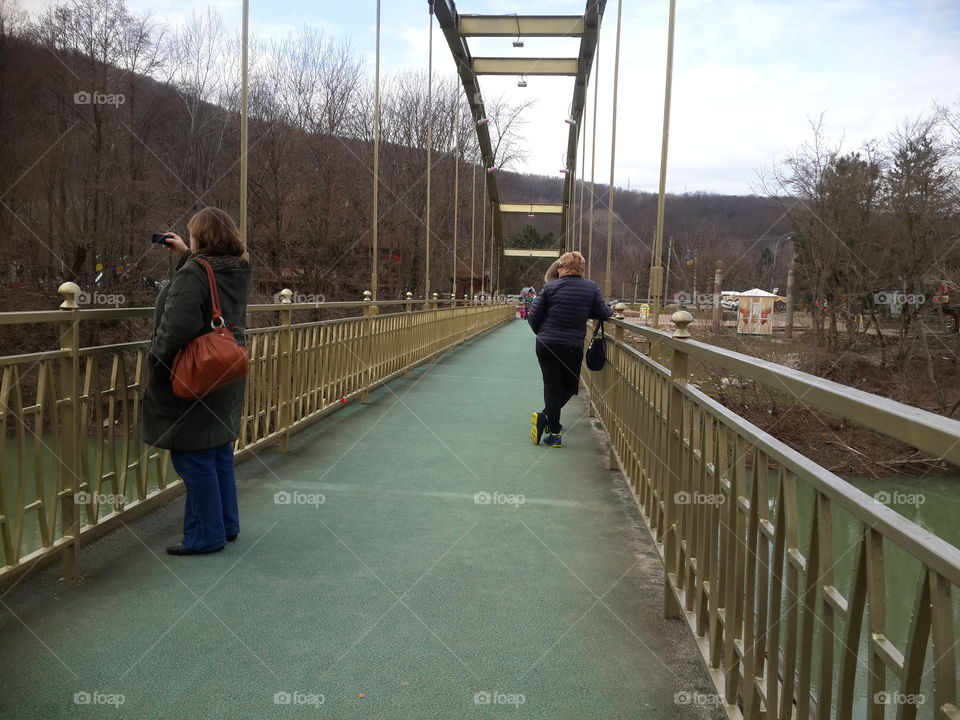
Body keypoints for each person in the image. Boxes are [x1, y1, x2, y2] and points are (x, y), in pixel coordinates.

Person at [142, 208, 252, 556]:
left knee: (192, 457)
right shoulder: (238, 269)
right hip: (226, 369)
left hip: (194, 374)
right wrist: (186, 256)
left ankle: (206, 536)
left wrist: (156, 363)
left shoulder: (194, 274)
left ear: (200, 238)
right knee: (217, 449)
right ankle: (225, 525)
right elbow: (210, 282)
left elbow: (176, 328)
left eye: (192, 235)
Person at [526, 251, 612, 447]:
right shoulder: (591, 288)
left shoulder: (550, 287)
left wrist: (544, 333)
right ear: (581, 269)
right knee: (570, 387)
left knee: (551, 386)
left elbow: (533, 317)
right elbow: (603, 313)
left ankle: (552, 429)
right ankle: (548, 422)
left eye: (560, 266)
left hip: (546, 345)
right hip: (572, 346)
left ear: (563, 268)